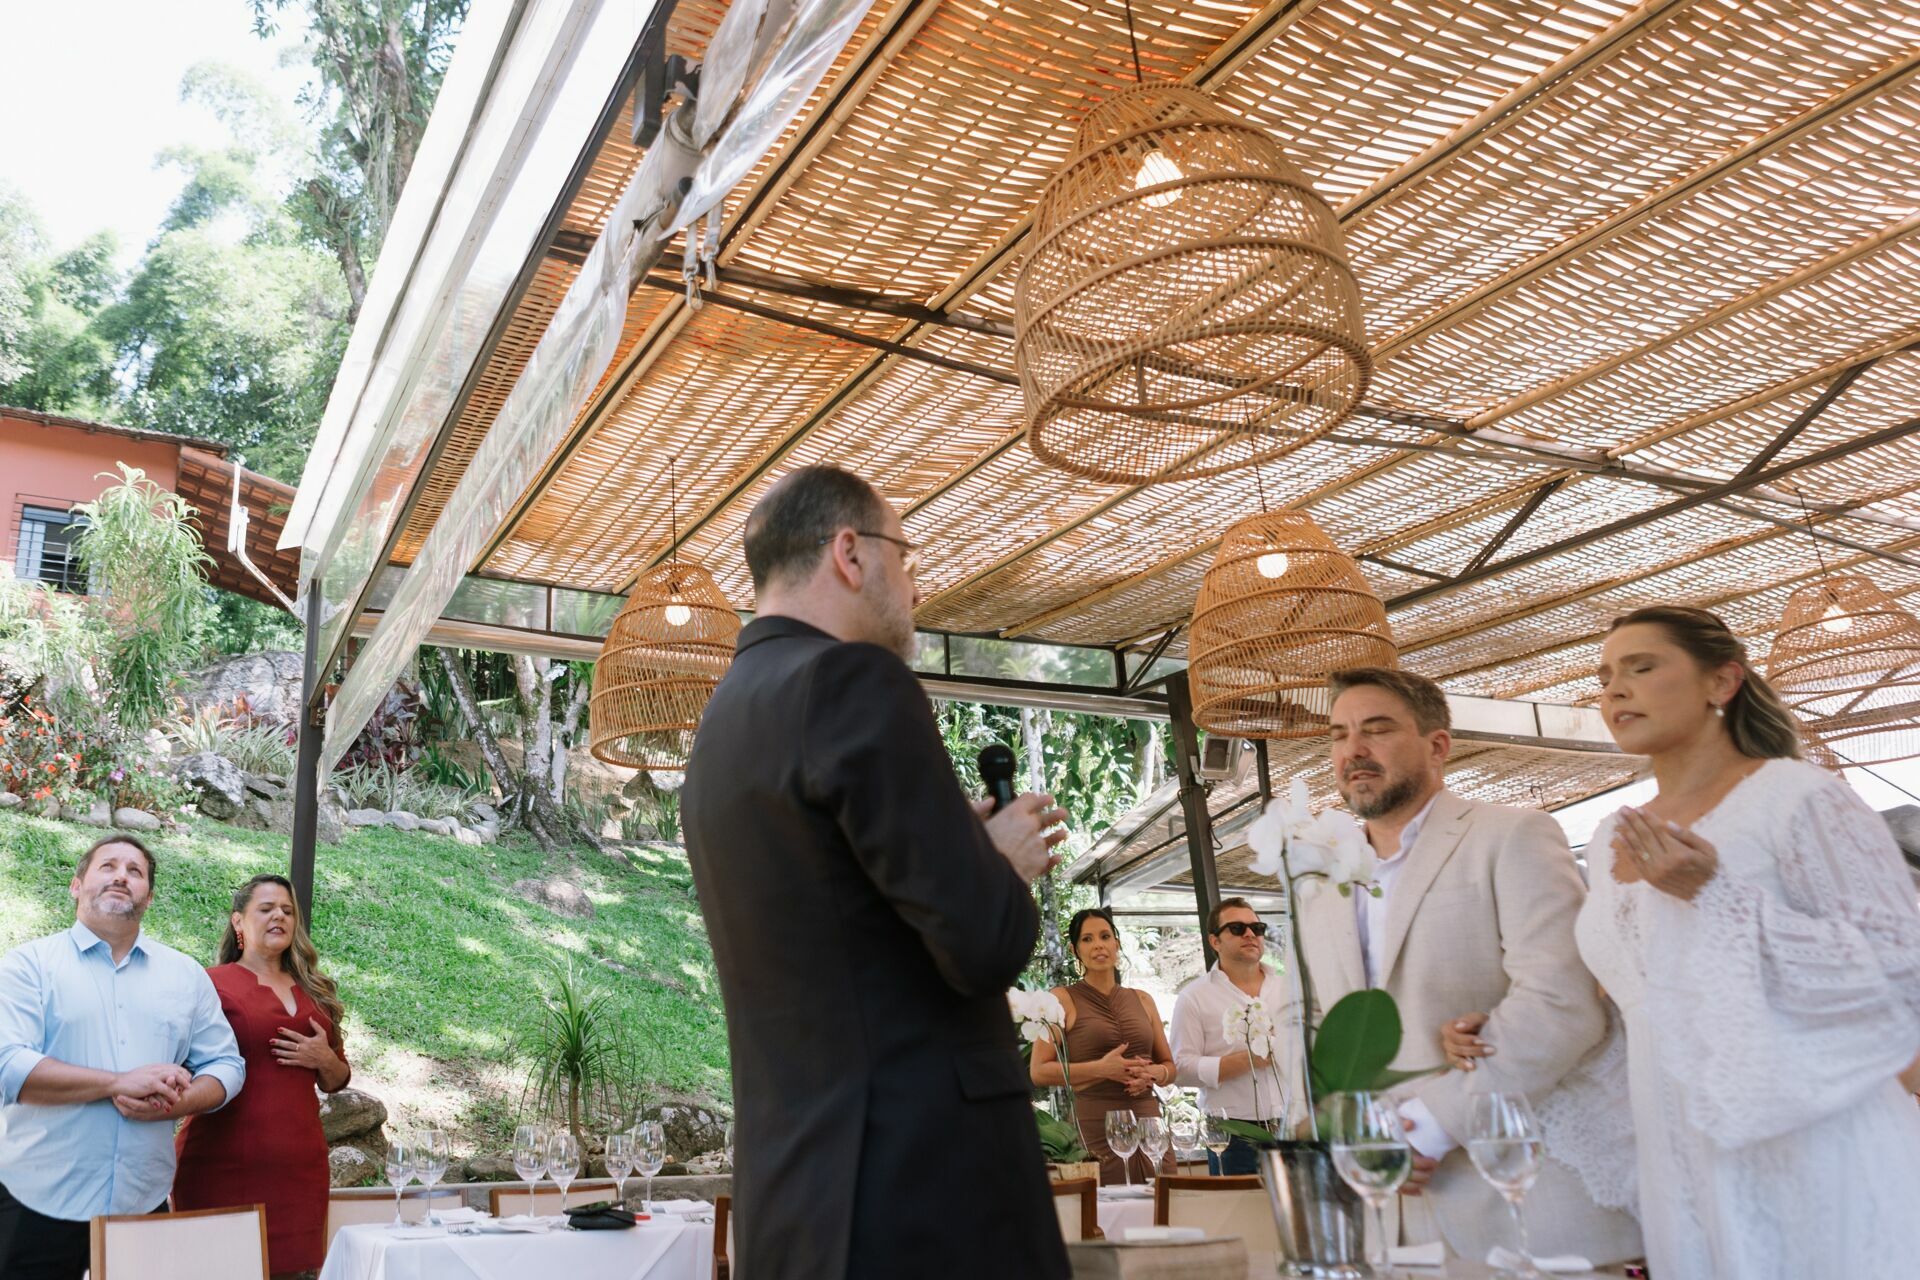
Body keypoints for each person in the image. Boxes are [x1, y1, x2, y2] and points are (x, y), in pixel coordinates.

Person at [681, 465, 1072, 1280]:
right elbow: (985, 943)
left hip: (795, 1200)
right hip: (919, 1197)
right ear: (850, 553)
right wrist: (1000, 861)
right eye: (907, 557)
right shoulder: (856, 679)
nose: (916, 588)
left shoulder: (721, 726)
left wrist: (956, 848)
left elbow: (841, 920)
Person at [1564, 605, 1920, 1277]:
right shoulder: (1613, 835)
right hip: (1678, 1155)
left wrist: (1717, 896)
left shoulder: (1798, 796)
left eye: (1641, 667)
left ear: (1721, 682)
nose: (1615, 690)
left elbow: (1900, 969)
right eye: (1604, 677)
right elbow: (1643, 1001)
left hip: (1809, 1141)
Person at [1294, 667, 1641, 1266]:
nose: (1354, 750)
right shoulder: (1318, 882)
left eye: (1377, 729)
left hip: (1524, 1202)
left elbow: (1561, 1002)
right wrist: (1342, 1129)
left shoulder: (1513, 836)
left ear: (1437, 746)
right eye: (1339, 734)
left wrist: (1431, 1124)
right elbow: (1311, 1022)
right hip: (1383, 1217)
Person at [0, 835, 245, 1280]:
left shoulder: (185, 975)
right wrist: (117, 1082)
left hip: (141, 1202)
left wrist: (180, 1102)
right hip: (35, 1201)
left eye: (135, 871)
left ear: (148, 897)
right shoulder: (28, 966)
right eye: (108, 866)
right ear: (76, 885)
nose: (121, 876)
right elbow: (8, 1066)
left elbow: (227, 1065)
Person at [173, 874, 351, 1279]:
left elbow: (336, 1079)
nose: (279, 917)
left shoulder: (315, 990)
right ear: (238, 921)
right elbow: (176, 1062)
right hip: (221, 1164)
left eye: (287, 911)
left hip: (300, 1167)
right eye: (266, 909)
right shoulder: (208, 984)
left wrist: (323, 1057)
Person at [1030, 907, 1176, 1184]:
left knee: (1164, 1200)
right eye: (1087, 939)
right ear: (1075, 950)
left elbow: (1170, 1067)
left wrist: (1155, 1073)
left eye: (1105, 936)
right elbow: (1038, 1072)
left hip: (1149, 1124)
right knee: (1106, 1204)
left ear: (1116, 944)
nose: (1098, 944)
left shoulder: (1143, 999)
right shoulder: (1060, 999)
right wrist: (1101, 1069)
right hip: (1096, 1125)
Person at [1168, 899, 1302, 1174]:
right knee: (1238, 1203)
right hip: (1232, 1133)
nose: (1250, 934)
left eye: (1257, 928)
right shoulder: (1194, 997)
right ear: (1215, 941)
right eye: (1238, 928)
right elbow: (1180, 1069)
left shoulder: (1290, 989)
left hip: (1294, 1125)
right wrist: (1249, 1059)